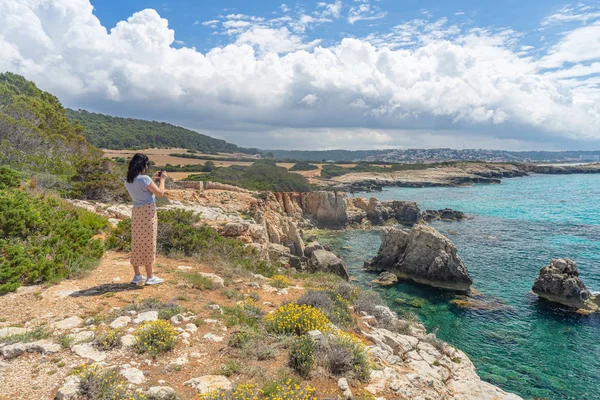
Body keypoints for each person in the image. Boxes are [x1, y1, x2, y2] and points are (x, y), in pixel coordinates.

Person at [124, 153, 167, 285]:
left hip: (136, 212)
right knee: (149, 242)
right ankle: (150, 276)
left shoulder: (128, 180)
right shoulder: (145, 179)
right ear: (143, 165)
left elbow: (142, 189)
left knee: (137, 242)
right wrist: (162, 179)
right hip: (148, 212)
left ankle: (137, 275)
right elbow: (160, 193)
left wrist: (152, 179)